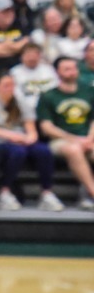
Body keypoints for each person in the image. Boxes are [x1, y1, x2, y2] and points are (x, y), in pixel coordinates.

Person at [0, 72, 64, 212]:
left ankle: (46, 193)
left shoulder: (20, 100)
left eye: (12, 85)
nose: (10, 88)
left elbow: (31, 129)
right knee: (18, 153)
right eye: (6, 85)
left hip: (20, 139)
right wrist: (10, 135)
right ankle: (4, 192)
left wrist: (30, 138)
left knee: (43, 151)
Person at [35, 56, 94, 211]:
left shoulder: (89, 91)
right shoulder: (48, 96)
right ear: (57, 72)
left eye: (74, 68)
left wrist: (89, 138)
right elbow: (47, 128)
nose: (72, 72)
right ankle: (91, 192)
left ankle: (85, 194)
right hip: (60, 141)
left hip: (88, 138)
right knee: (74, 150)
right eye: (66, 69)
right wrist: (75, 139)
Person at [8, 41, 58, 120]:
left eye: (35, 54)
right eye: (28, 55)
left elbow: (55, 89)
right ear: (21, 56)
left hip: (47, 110)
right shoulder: (15, 72)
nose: (31, 58)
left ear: (40, 56)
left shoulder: (49, 70)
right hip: (24, 112)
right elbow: (16, 95)